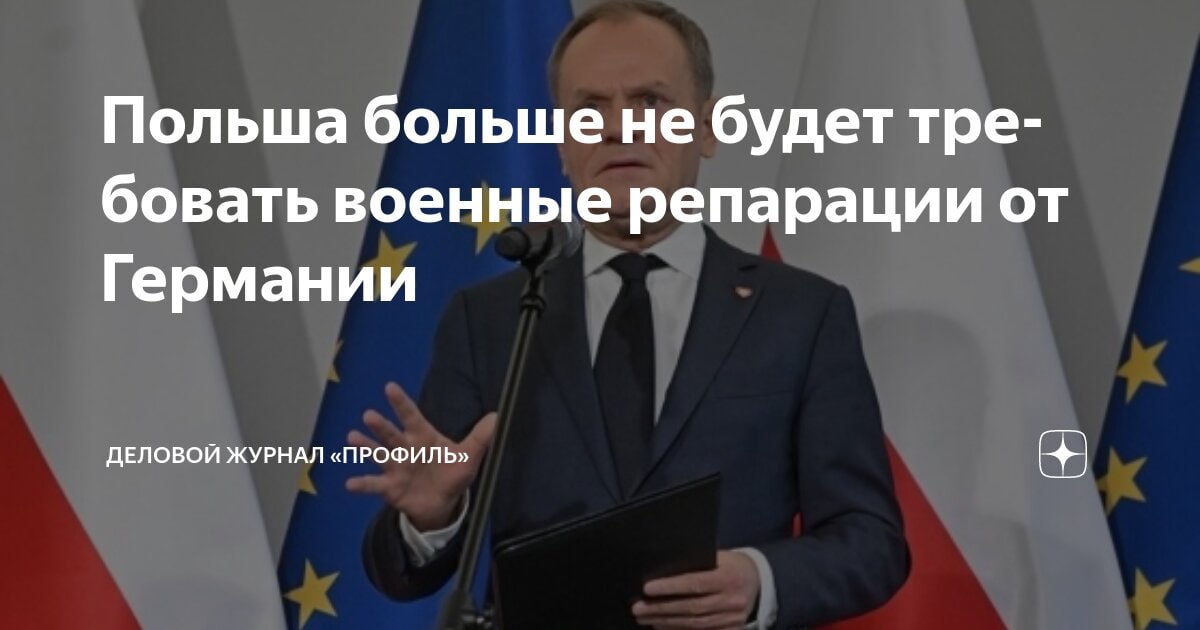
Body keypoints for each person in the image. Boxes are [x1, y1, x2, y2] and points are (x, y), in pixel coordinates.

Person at [348, 1, 909, 627]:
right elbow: (401, 571)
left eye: (649, 102)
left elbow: (871, 540)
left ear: (707, 128)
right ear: (562, 144)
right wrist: (432, 517)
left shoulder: (802, 315)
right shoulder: (489, 320)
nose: (619, 129)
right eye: (590, 110)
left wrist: (760, 580)